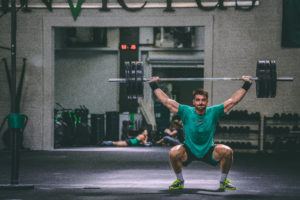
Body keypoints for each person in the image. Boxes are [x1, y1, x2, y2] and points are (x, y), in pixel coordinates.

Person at [149, 76, 252, 191]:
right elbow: (166, 101)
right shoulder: (186, 111)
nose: (200, 103)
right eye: (198, 100)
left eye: (203, 100)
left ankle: (223, 181)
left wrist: (247, 84)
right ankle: (180, 181)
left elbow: (234, 101)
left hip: (208, 150)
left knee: (227, 151)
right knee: (173, 153)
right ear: (193, 101)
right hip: (189, 149)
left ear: (207, 101)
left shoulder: (214, 111)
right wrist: (153, 85)